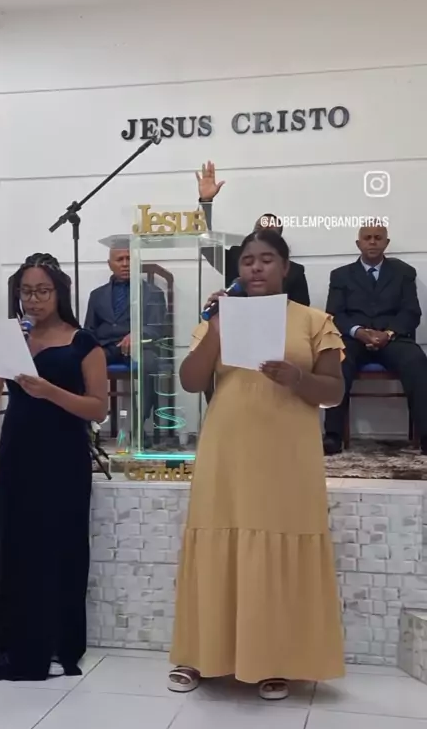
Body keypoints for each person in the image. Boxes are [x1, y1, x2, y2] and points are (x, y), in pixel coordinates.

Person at [168, 229, 345, 700]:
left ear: (285, 267)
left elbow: (334, 392)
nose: (256, 268)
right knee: (217, 541)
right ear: (238, 269)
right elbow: (191, 381)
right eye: (248, 261)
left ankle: (275, 660)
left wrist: (298, 377)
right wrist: (217, 330)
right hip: (227, 449)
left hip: (287, 453)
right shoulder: (218, 317)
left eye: (267, 259)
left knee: (279, 544)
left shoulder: (314, 321)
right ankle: (202, 655)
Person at [0, 253, 108, 681]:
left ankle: (61, 644)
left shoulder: (82, 342)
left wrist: (50, 391)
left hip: (64, 455)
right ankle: (21, 646)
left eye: (42, 291)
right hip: (18, 454)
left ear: (59, 293)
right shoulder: (11, 339)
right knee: (17, 548)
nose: (33, 300)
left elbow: (98, 409)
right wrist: (1, 355)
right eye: (26, 292)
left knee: (62, 547)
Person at [323, 225, 427, 455]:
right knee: (337, 360)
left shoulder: (404, 273)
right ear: (358, 243)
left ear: (386, 243)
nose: (372, 242)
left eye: (378, 238)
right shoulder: (340, 275)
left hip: (392, 338)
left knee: (417, 361)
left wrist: (387, 334)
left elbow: (411, 312)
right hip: (354, 339)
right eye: (367, 238)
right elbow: (335, 314)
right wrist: (359, 331)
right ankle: (332, 436)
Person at [196, 160, 310, 305]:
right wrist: (206, 202)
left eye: (267, 260)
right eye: (259, 230)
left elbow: (301, 311)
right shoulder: (235, 257)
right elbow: (206, 244)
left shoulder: (295, 271)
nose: (256, 268)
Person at [84, 238, 166, 421]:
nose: (125, 264)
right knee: (79, 361)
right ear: (110, 264)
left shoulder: (153, 293)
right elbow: (89, 329)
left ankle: (139, 421)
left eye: (129, 258)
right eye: (119, 259)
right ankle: (88, 419)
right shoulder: (96, 295)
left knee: (150, 363)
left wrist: (137, 334)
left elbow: (157, 329)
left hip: (139, 348)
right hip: (106, 347)